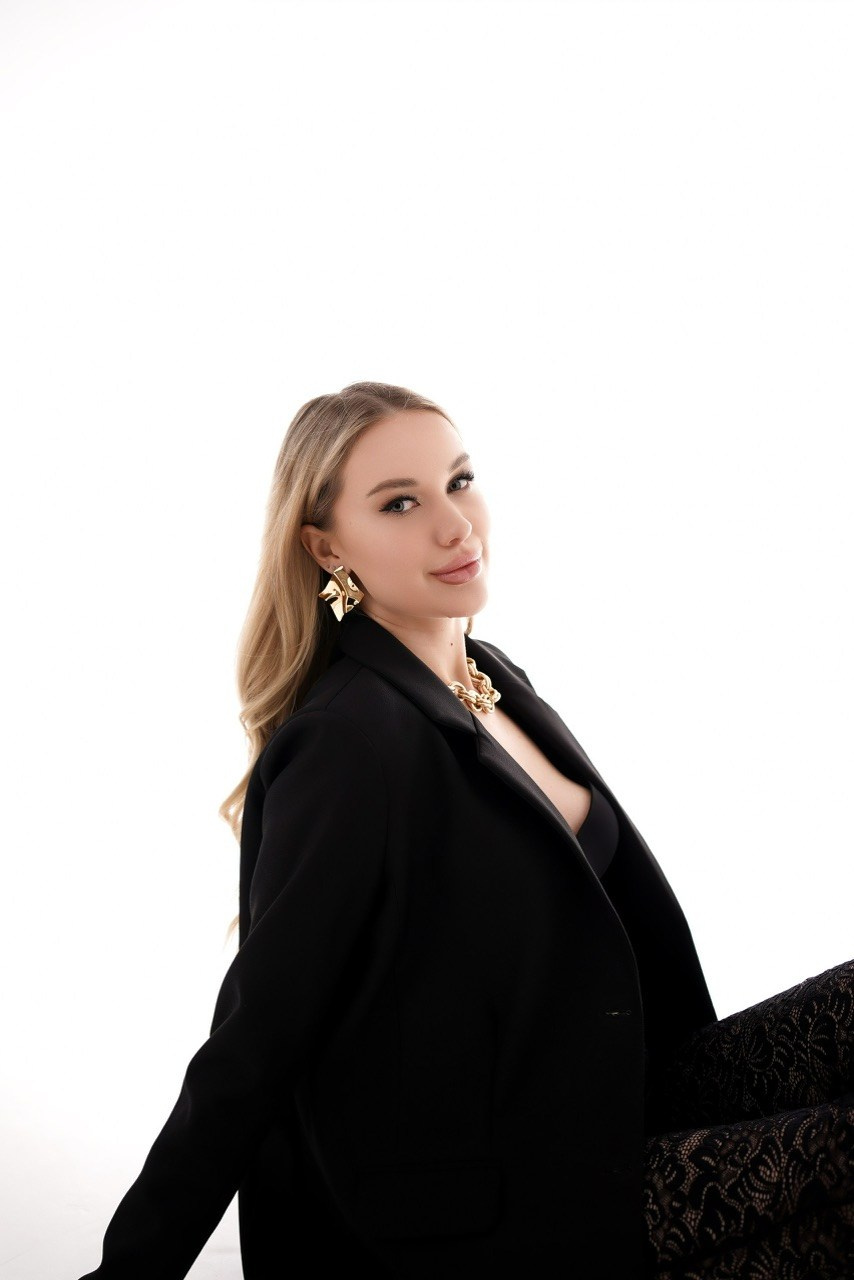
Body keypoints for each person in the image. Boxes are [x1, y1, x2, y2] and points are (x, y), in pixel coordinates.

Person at [78, 382, 854, 1279]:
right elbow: (256, 1041)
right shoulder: (347, 740)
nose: (455, 525)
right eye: (399, 504)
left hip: (618, 1097)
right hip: (505, 1193)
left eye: (459, 481)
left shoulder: (490, 674)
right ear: (326, 546)